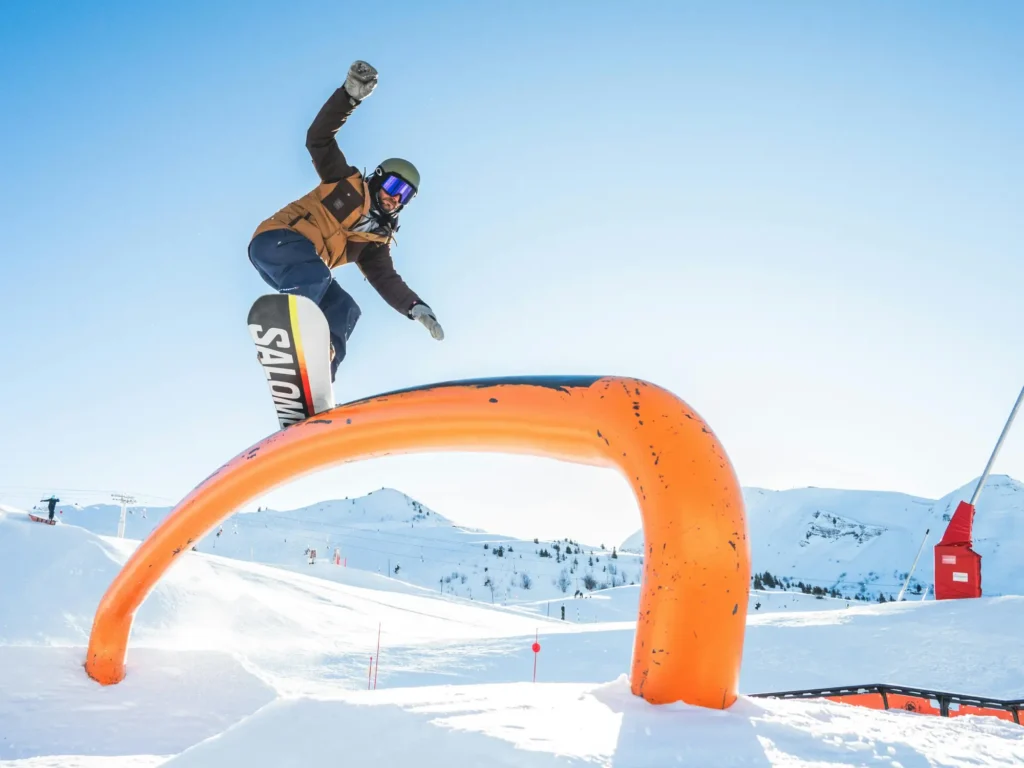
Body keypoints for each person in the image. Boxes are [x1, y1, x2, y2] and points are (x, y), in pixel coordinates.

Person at [247, 60, 444, 383]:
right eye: (394, 187)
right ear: (378, 179)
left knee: (345, 308)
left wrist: (416, 307)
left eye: (405, 196)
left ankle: (318, 376)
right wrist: (349, 96)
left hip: (300, 276)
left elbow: (387, 281)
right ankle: (285, 334)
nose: (396, 198)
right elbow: (318, 139)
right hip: (276, 242)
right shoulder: (345, 182)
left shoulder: (374, 243)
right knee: (318, 273)